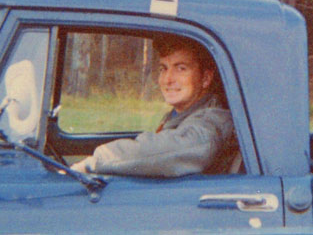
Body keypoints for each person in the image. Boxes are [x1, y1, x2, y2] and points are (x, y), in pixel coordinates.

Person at [71, 35, 238, 177]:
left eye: (181, 68)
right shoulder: (179, 115)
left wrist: (96, 161)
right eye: (163, 69)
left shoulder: (211, 122)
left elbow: (170, 149)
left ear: (206, 78)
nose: (168, 79)